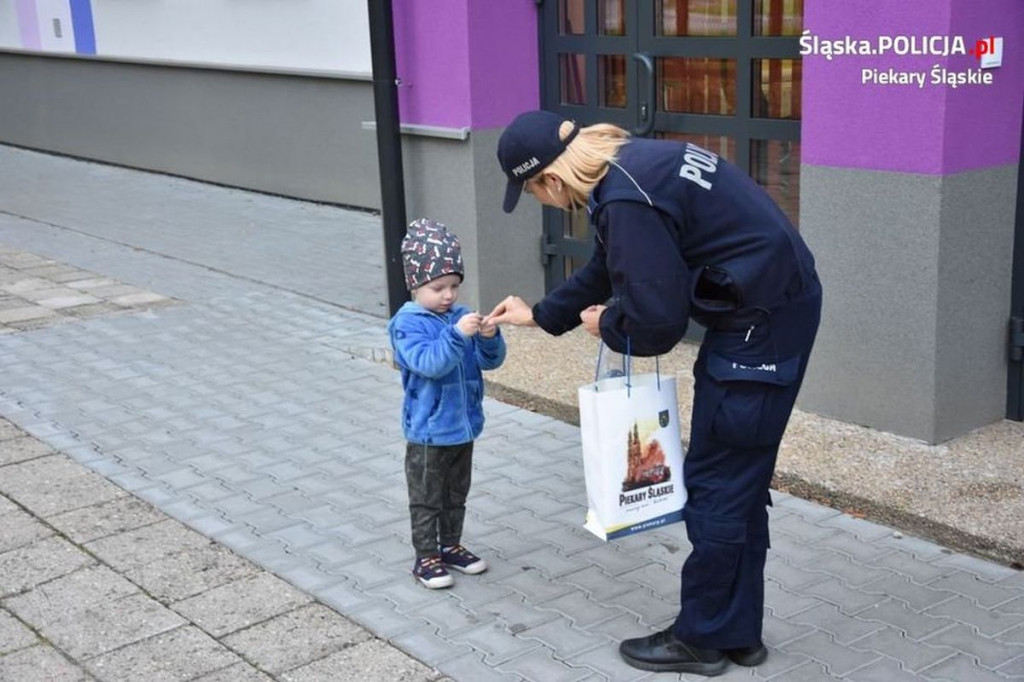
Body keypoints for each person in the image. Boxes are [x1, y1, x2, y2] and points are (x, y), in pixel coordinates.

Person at [488, 110, 821, 676]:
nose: (541, 200)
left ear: (549, 180)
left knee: (718, 482)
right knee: (738, 478)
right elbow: (608, 262)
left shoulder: (624, 199)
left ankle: (702, 639)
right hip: (773, 311)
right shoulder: (635, 165)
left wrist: (609, 326)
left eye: (532, 191)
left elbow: (658, 323)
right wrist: (545, 316)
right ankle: (738, 633)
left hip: (759, 330)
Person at [387, 218, 507, 589]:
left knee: (456, 493)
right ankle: (425, 557)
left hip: (463, 426)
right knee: (427, 498)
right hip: (428, 432)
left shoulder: (459, 315)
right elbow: (430, 364)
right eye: (438, 287)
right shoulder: (408, 324)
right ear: (415, 284)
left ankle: (451, 546)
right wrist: (456, 336)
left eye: (454, 285)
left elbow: (490, 361)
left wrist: (489, 336)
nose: (449, 295)